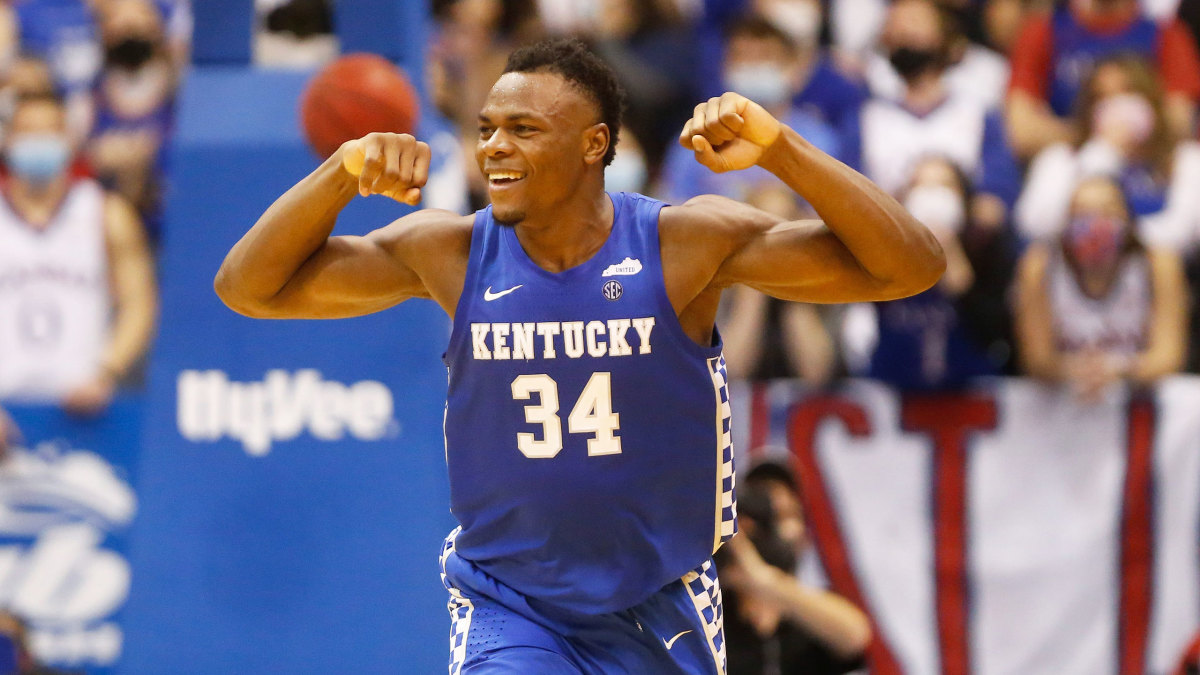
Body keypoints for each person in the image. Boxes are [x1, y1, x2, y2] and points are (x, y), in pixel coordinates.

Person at [214, 38, 944, 673]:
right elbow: (248, 288)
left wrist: (783, 150)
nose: (493, 147)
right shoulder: (452, 253)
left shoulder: (682, 245)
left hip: (660, 600)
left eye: (523, 129)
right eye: (487, 129)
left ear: (594, 145)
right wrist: (341, 173)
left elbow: (908, 266)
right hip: (512, 601)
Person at [0, 93, 157, 415]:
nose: (39, 141)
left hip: (83, 405)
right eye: (28, 132)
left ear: (70, 139)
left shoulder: (106, 213)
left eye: (50, 131)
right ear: (9, 139)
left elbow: (138, 303)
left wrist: (106, 372)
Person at [1014, 175, 1188, 401]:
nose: (1095, 224)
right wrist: (1080, 372)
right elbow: (1037, 360)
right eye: (1082, 214)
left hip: (1136, 408)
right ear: (1066, 223)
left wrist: (1115, 371)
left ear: (1128, 218)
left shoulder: (1157, 264)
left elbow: (1168, 356)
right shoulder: (1040, 265)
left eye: (1107, 212)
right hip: (1064, 407)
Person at [1015, 54, 1200, 251]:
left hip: (1158, 272)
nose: (1117, 105)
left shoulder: (1186, 159)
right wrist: (1105, 152)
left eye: (1128, 91)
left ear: (1151, 99)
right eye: (1102, 97)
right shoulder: (1061, 158)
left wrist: (1107, 234)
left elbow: (1184, 234)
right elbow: (1035, 226)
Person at [717, 462, 870, 675]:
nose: (774, 530)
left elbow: (855, 637)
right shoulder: (711, 610)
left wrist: (764, 580)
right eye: (765, 514)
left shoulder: (810, 614)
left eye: (787, 514)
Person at [1004, 0, 1200, 159]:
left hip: (1148, 168)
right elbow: (1022, 131)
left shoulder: (1166, 35)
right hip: (1071, 164)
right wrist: (1098, 138)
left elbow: (1179, 124)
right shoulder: (1043, 30)